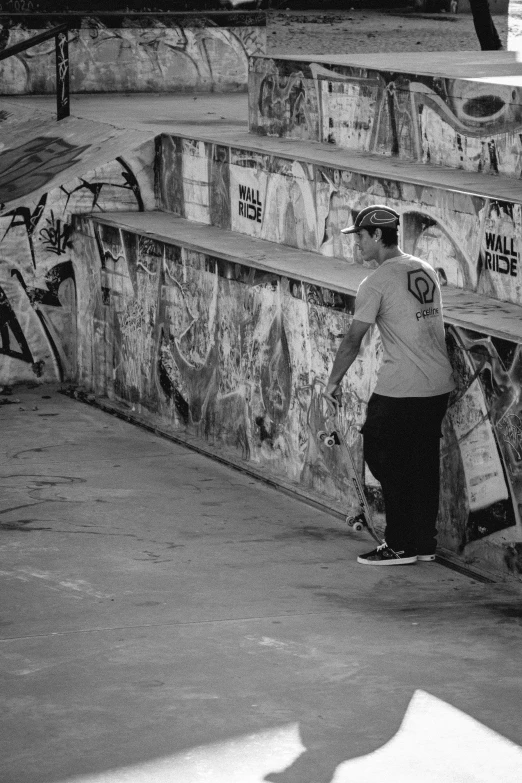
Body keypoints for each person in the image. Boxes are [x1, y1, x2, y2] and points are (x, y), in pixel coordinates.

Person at [324, 205, 455, 566]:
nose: (357, 245)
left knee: (381, 452)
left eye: (361, 237)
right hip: (438, 386)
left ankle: (398, 543)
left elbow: (353, 339)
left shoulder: (377, 281)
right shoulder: (424, 268)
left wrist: (332, 383)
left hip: (404, 387)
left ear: (378, 236)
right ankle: (423, 542)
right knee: (422, 462)